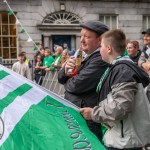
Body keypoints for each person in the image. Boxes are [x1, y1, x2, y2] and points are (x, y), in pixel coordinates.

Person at [80, 29, 150, 150]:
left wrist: (93, 113)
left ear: (108, 48)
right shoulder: (119, 68)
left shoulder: (122, 70)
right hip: (121, 137)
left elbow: (122, 107)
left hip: (124, 141)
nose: (99, 50)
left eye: (101, 46)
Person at [58, 20, 109, 141]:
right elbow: (60, 78)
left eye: (86, 37)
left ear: (100, 40)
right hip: (76, 115)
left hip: (88, 119)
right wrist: (65, 69)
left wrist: (68, 79)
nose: (81, 40)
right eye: (81, 36)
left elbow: (77, 85)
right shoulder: (80, 54)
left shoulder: (101, 59)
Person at [138, 28, 150, 101]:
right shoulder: (145, 48)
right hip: (147, 83)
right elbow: (140, 61)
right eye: (144, 36)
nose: (145, 38)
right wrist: (143, 64)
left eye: (147, 36)